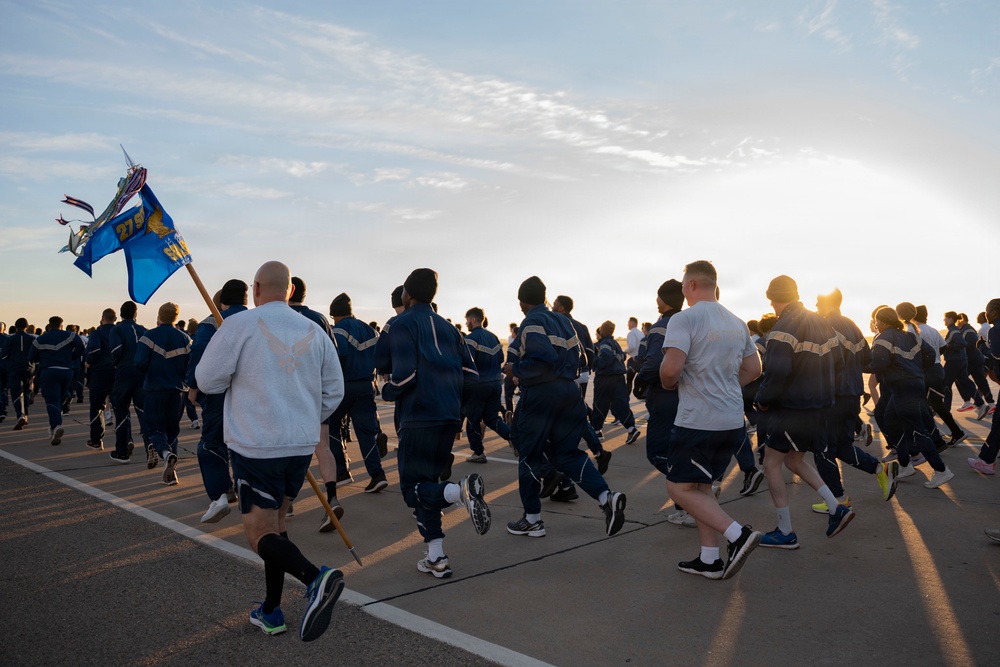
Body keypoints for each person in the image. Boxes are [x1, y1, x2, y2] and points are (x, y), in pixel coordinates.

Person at [195, 260, 346, 640]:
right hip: (299, 445)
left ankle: (316, 579)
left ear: (256, 289)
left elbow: (206, 380)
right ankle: (271, 610)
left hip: (257, 445)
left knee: (258, 533)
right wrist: (307, 418)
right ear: (290, 290)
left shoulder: (239, 326)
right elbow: (334, 390)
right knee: (277, 527)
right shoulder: (314, 330)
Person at [381, 268, 491, 579]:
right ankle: (436, 556)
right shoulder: (451, 329)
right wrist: (457, 407)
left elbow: (403, 376)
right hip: (448, 417)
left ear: (407, 294)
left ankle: (458, 492)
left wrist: (387, 390)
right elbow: (472, 376)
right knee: (426, 487)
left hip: (418, 417)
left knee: (411, 490)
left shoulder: (401, 324)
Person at [502, 275, 626, 540]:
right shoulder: (564, 322)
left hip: (542, 394)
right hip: (569, 392)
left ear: (522, 302)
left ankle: (532, 520)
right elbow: (581, 357)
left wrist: (515, 369)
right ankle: (606, 497)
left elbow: (542, 359)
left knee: (529, 454)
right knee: (568, 454)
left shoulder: (531, 322)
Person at [660, 261, 761, 580]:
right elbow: (754, 369)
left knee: (678, 488)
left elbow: (670, 370)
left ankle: (738, 535)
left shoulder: (684, 318)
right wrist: (726, 388)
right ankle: (710, 559)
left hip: (698, 421)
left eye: (683, 285)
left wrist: (668, 384)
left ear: (690, 285)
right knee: (701, 486)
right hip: (731, 420)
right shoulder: (737, 322)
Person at [755, 276, 854, 550]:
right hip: (820, 407)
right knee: (794, 460)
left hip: (793, 408)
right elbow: (840, 362)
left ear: (773, 298)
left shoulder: (782, 328)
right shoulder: (821, 322)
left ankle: (785, 531)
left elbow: (777, 372)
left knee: (770, 464)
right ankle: (836, 507)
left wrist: (763, 399)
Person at [811, 289, 898, 513]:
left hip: (832, 396)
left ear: (829, 303)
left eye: (819, 302)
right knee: (841, 446)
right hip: (852, 395)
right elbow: (867, 360)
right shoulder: (852, 326)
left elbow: (821, 360)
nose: (816, 306)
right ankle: (880, 469)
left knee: (823, 449)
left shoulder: (823, 325)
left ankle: (838, 500)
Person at [870, 307, 954, 488]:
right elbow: (931, 354)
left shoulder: (883, 338)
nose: (876, 325)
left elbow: (878, 364)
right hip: (913, 384)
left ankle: (941, 470)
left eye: (876, 322)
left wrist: (858, 365)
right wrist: (916, 369)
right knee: (891, 421)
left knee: (916, 430)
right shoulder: (911, 336)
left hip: (903, 387)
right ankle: (905, 464)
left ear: (882, 322)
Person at [186, 280, 248, 522]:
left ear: (221, 302)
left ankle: (220, 495)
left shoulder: (212, 322)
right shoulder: (258, 320)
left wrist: (193, 385)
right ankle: (258, 495)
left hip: (219, 393)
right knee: (248, 444)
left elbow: (199, 354)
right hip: (253, 392)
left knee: (212, 443)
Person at [288, 276, 347, 521]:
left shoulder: (281, 317)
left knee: (288, 449)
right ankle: (332, 496)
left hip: (289, 391)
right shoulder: (320, 319)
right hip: (316, 390)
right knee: (322, 446)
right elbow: (333, 355)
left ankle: (286, 501)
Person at [328, 293, 390, 499]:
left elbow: (339, 357)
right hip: (366, 386)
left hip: (344, 387)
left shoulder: (338, 330)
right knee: (365, 432)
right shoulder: (370, 330)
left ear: (334, 315)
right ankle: (377, 474)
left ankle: (342, 471)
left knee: (331, 425)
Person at [134, 303, 190, 485]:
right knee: (172, 431)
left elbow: (139, 362)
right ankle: (171, 474)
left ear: (159, 316)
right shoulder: (185, 338)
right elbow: (191, 365)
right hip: (178, 392)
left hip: (155, 391)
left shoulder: (148, 336)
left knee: (154, 429)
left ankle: (166, 454)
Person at [461, 307, 512, 463]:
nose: (466, 323)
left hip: (478, 385)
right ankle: (514, 438)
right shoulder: (494, 337)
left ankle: (478, 452)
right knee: (492, 418)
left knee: (473, 419)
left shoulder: (470, 339)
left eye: (467, 320)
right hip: (495, 384)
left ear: (473, 319)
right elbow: (500, 358)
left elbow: (467, 362)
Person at [28, 316, 84, 445]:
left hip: (49, 371)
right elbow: (81, 346)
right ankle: (65, 398)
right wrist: (72, 357)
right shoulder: (70, 335)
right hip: (67, 371)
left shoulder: (40, 339)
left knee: (52, 401)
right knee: (60, 397)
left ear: (49, 326)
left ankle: (56, 425)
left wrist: (42, 359)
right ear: (61, 325)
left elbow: (31, 357)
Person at [591, 321, 641, 444]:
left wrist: (596, 363)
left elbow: (605, 358)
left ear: (602, 331)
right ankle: (631, 429)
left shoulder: (604, 344)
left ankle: (597, 431)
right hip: (619, 378)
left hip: (605, 378)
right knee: (622, 404)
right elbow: (623, 356)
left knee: (600, 404)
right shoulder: (615, 343)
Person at [968, 299, 1000, 476]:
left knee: (998, 422)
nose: (986, 314)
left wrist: (982, 347)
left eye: (987, 311)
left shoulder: (995, 329)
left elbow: (997, 354)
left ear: (994, 312)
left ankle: (986, 461)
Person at [85, 308, 117, 450]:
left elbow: (94, 350)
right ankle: (126, 439)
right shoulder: (119, 331)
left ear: (102, 318)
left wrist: (89, 361)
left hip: (100, 372)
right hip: (117, 371)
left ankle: (96, 439)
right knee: (120, 407)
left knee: (96, 406)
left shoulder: (97, 333)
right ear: (115, 319)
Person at [2, 318, 35, 430]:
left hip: (14, 369)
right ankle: (26, 414)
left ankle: (20, 415)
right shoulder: (32, 339)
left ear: (16, 326)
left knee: (16, 392)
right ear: (27, 326)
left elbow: (4, 355)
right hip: (28, 369)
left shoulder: (10, 339)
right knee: (26, 391)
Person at [625, 316, 642, 395]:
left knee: (629, 380)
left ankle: (626, 396)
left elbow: (632, 346)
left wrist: (625, 352)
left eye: (628, 323)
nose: (627, 324)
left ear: (632, 323)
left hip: (633, 359)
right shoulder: (640, 333)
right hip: (641, 359)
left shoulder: (631, 333)